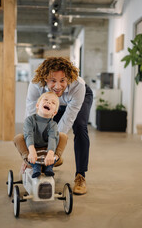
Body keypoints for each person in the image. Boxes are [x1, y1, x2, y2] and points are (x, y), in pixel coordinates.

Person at [25, 57, 93, 194]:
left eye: (62, 80)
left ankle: (80, 176)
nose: (57, 86)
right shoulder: (35, 85)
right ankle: (43, 162)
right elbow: (31, 121)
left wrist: (52, 151)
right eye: (53, 81)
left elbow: (67, 120)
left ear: (68, 78)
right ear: (45, 78)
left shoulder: (78, 86)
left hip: (77, 99)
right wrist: (29, 154)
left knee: (80, 127)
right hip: (51, 102)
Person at [23, 91, 59, 178]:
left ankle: (49, 166)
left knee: (62, 137)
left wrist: (50, 154)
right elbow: (29, 135)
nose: (48, 102)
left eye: (53, 103)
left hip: (47, 149)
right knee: (18, 138)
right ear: (37, 105)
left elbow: (52, 138)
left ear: (54, 113)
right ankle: (35, 166)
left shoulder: (53, 124)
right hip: (33, 148)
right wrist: (31, 151)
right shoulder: (30, 120)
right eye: (45, 100)